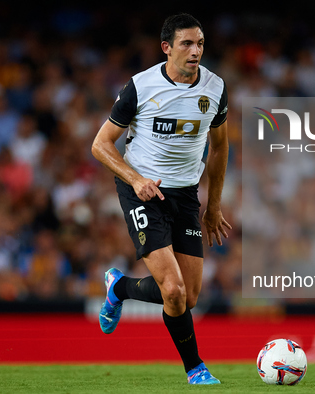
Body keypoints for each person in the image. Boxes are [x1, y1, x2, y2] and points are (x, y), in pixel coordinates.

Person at [91, 13, 230, 385]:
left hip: (185, 194)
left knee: (189, 297)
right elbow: (100, 144)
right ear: (166, 48)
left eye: (200, 43)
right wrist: (135, 180)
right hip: (142, 190)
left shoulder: (215, 88)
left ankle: (118, 287)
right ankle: (195, 369)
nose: (195, 51)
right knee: (173, 289)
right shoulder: (140, 86)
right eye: (187, 43)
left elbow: (219, 148)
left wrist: (213, 206)